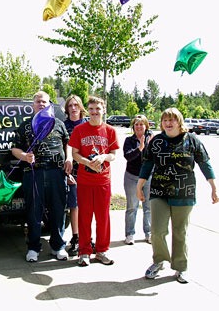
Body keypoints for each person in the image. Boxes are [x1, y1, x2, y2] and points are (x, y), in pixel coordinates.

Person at [137, 107, 218, 284]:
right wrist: (140, 185)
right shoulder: (156, 141)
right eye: (165, 120)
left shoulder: (192, 140)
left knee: (180, 232)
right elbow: (147, 164)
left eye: (172, 120)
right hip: (159, 191)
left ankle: (180, 267)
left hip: (184, 192)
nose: (168, 123)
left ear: (179, 122)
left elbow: (204, 163)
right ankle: (159, 261)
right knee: (157, 231)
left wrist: (213, 186)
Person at [11, 91, 71, 262]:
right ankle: (33, 247)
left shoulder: (58, 123)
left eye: (44, 102)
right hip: (33, 173)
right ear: (33, 105)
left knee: (58, 210)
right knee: (34, 212)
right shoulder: (25, 125)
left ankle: (58, 246)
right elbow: (14, 149)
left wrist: (69, 158)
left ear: (49, 104)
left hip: (56, 173)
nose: (41, 104)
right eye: (38, 101)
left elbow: (69, 144)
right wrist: (24, 156)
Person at [69, 96, 119, 267]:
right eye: (91, 109)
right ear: (87, 110)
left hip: (103, 181)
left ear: (103, 110)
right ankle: (84, 252)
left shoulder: (110, 130)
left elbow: (113, 154)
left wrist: (104, 156)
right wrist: (86, 162)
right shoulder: (79, 130)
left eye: (98, 109)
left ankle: (102, 250)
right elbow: (74, 153)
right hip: (84, 180)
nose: (94, 112)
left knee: (103, 217)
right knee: (84, 217)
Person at [123, 114, 153, 245]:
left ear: (146, 126)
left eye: (141, 124)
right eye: (136, 124)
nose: (139, 127)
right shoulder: (129, 141)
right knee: (132, 207)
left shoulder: (151, 140)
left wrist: (147, 142)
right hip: (132, 177)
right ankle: (130, 234)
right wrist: (139, 148)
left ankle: (149, 233)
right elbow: (128, 157)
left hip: (148, 177)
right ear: (133, 127)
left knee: (149, 207)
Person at [63, 95, 88, 256]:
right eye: (70, 105)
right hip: (71, 172)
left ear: (81, 107)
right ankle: (76, 238)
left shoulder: (87, 124)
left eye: (76, 105)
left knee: (88, 206)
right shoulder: (63, 126)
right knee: (74, 206)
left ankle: (88, 238)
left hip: (88, 170)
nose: (73, 108)